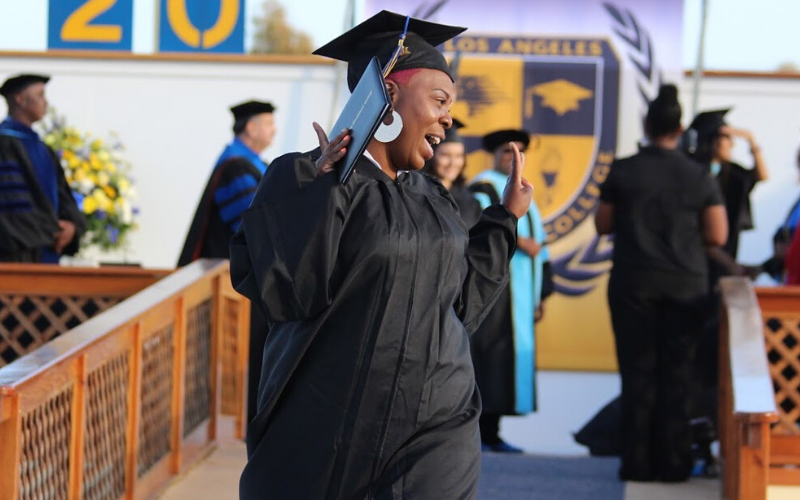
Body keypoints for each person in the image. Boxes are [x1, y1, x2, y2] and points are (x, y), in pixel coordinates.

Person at [231, 11, 533, 499]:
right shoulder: (305, 177)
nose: (447, 118)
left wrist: (503, 220)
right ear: (387, 95)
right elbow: (287, 293)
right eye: (438, 100)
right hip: (331, 430)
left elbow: (461, 306)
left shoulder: (433, 198)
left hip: (437, 425)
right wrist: (320, 192)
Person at [595, 84, 728, 482]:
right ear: (681, 127)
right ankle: (673, 464)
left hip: (633, 283)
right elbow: (718, 235)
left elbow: (603, 225)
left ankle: (636, 463)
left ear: (646, 125)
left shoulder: (624, 168)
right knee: (678, 374)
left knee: (637, 373)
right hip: (687, 285)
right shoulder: (699, 174)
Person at [177, 99, 276, 425]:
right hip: (233, 286)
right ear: (251, 128)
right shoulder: (237, 167)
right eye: (269, 123)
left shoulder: (247, 164)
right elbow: (254, 228)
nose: (274, 130)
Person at [469, 128, 550, 453]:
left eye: (517, 153)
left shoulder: (525, 194)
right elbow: (477, 234)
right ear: (494, 154)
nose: (511, 158)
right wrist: (520, 242)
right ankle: (479, 433)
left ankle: (492, 432)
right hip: (493, 290)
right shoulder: (482, 189)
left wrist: (541, 294)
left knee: (505, 361)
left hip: (519, 295)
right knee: (487, 359)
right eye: (506, 152)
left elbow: (542, 251)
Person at [0, 74, 85, 263]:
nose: (45, 103)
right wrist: (50, 230)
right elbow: (10, 203)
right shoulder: (4, 143)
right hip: (15, 255)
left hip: (48, 249)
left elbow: (64, 195)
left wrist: (71, 226)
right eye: (40, 95)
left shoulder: (43, 148)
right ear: (20, 99)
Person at [422, 117, 482, 227]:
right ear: (431, 156)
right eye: (445, 155)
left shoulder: (470, 202)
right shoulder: (416, 194)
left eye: (459, 156)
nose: (452, 163)